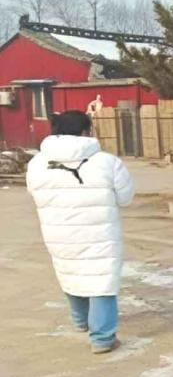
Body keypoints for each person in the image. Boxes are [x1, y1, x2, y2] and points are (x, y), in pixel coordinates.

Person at [26, 110, 135, 353]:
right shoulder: (107, 162)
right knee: (102, 282)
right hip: (100, 235)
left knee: (70, 271)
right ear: (86, 131)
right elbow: (126, 198)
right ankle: (102, 338)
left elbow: (34, 193)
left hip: (58, 232)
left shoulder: (37, 164)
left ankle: (80, 321)